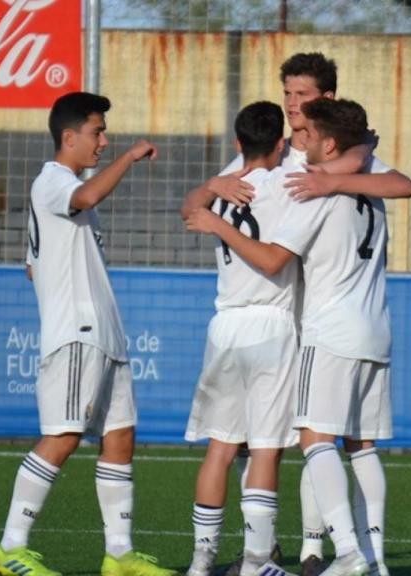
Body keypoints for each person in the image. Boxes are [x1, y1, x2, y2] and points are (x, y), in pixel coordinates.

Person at [184, 98, 411, 576]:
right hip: (366, 325)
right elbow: (401, 182)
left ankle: (333, 552)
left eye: (306, 132)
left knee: (290, 441)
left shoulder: (305, 188)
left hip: (282, 325)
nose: (297, 138)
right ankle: (364, 557)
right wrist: (359, 150)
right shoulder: (364, 182)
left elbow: (266, 255)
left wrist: (211, 209)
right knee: (357, 445)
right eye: (292, 128)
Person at [0, 91, 175, 576]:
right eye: (97, 132)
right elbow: (87, 195)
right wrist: (130, 157)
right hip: (77, 332)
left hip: (104, 333)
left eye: (105, 134)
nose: (103, 141)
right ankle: (10, 547)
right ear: (68, 137)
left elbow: (34, 267)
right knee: (63, 436)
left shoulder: (62, 193)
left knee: (120, 437)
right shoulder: (53, 181)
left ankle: (119, 555)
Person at [180, 101, 302, 576]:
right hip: (269, 323)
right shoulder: (288, 187)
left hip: (225, 325)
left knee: (222, 445)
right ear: (280, 144)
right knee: (266, 447)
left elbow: (188, 210)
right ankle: (256, 561)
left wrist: (213, 204)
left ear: (237, 145)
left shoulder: (227, 185)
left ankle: (200, 561)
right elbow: (273, 261)